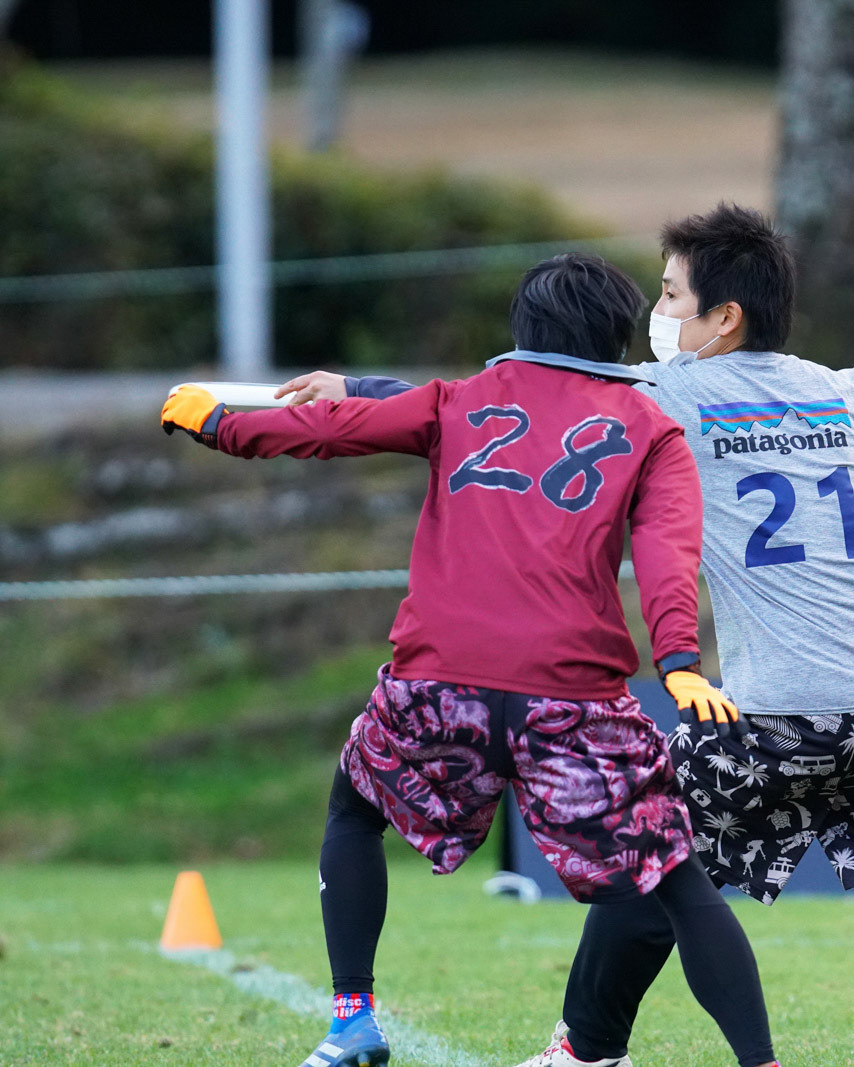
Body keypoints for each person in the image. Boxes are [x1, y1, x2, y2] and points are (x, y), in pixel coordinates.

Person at [282, 204, 854, 1067]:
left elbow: (500, 406)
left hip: (775, 709)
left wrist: (356, 392)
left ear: (724, 317)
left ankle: (586, 1049)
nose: (655, 314)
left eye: (669, 295)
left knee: (646, 852)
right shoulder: (849, 391)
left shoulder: (661, 396)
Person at [161, 252, 781, 1067]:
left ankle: (351, 1018)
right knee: (674, 878)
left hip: (437, 685)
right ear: (616, 333)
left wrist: (217, 422)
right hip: (571, 700)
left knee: (355, 811)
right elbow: (669, 553)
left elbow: (328, 429)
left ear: (523, 326)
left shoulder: (459, 400)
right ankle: (761, 1063)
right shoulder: (652, 428)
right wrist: (680, 663)